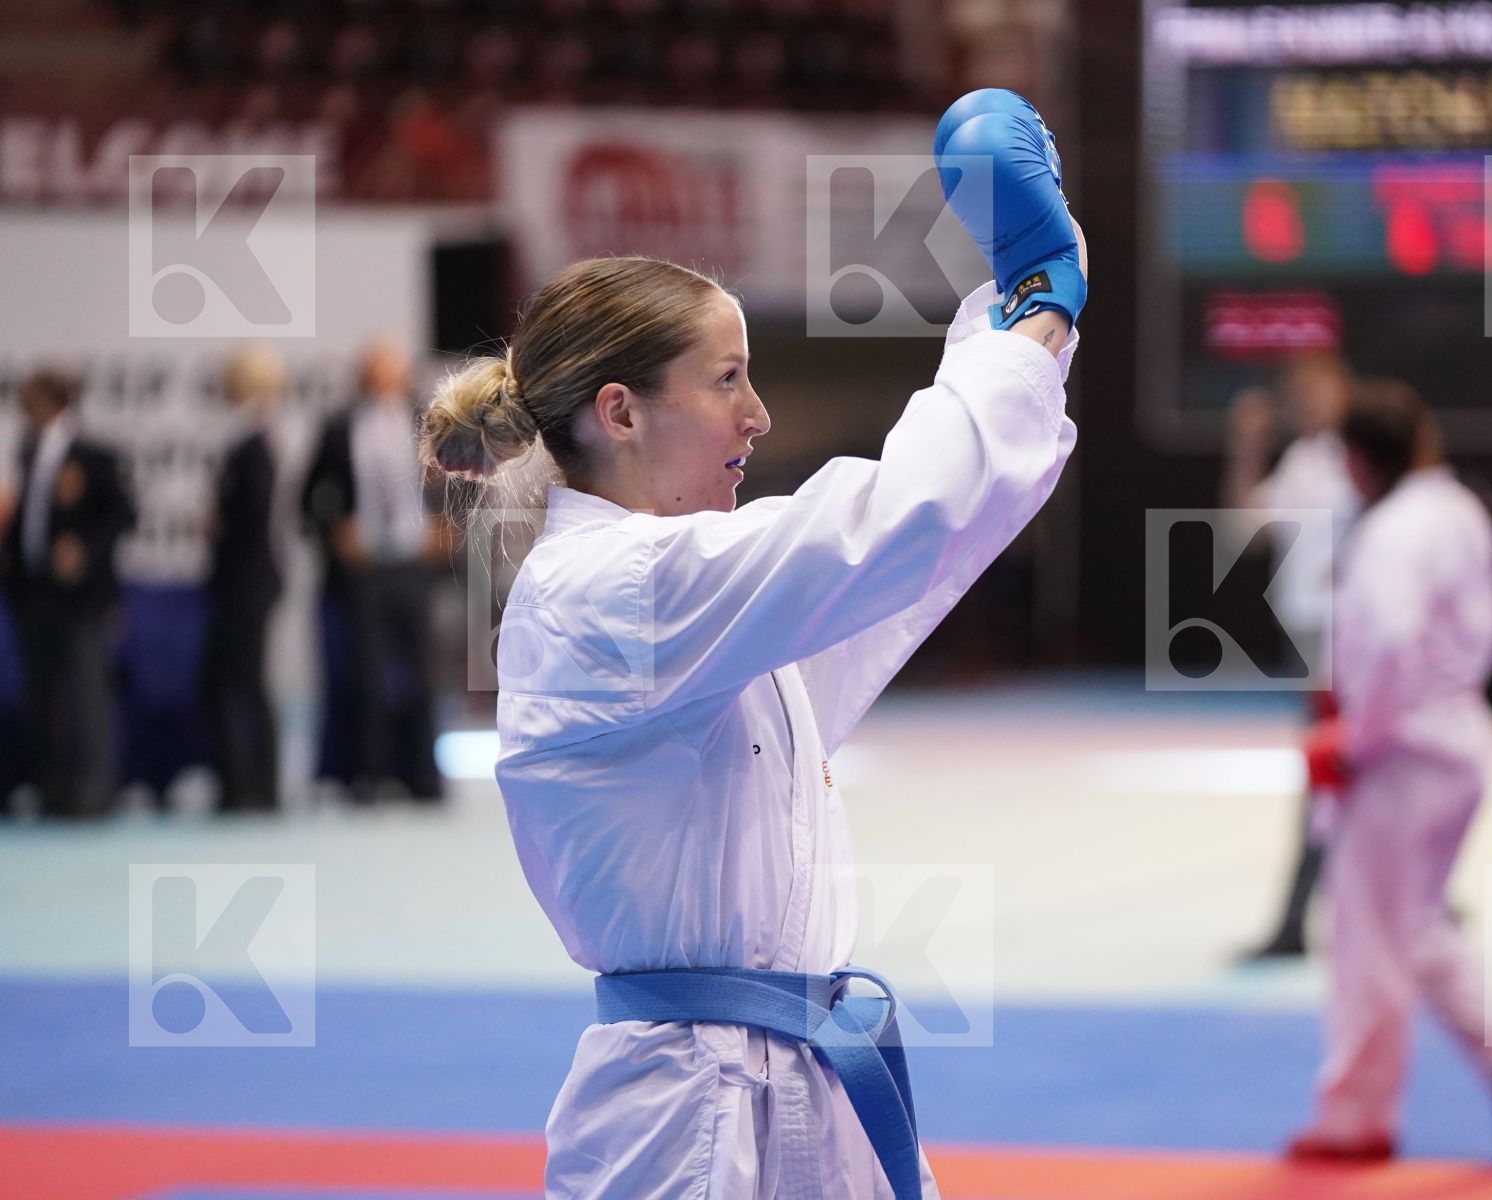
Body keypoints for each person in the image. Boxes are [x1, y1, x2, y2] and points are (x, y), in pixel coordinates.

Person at [416, 89, 1083, 1200]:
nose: (758, 416)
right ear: (620, 413)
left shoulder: (689, 614)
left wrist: (1024, 327)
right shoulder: (612, 591)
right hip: (688, 1121)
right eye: (728, 380)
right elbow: (886, 521)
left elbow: (907, 563)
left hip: (795, 1085)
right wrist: (1036, 299)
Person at [1287, 380, 1492, 1162]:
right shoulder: (1458, 511)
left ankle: (1356, 1120)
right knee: (1417, 921)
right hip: (1458, 737)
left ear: (1359, 460)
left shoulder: (1394, 532)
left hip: (1399, 753)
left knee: (1364, 935)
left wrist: (1351, 738)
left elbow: (1391, 642)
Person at [1223, 353, 1359, 959]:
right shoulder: (1302, 462)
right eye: (1294, 394)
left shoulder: (1357, 459)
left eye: (1313, 390)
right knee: (1350, 775)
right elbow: (1241, 529)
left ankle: (1294, 924)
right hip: (1313, 640)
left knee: (1330, 776)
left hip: (1349, 640)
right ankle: (1422, 901)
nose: (1302, 403)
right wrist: (1246, 448)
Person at [302, 339, 446, 803]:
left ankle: (422, 776)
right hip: (364, 568)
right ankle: (370, 775)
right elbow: (309, 496)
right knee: (366, 675)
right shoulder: (340, 425)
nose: (385, 378)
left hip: (413, 562)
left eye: (393, 369)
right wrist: (335, 530)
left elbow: (460, 477)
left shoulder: (426, 421)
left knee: (423, 672)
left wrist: (447, 526)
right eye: (377, 370)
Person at [0, 369, 136, 819]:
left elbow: (122, 514)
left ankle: (95, 792)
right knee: (40, 695)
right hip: (32, 593)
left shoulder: (93, 454)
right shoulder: (27, 450)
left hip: (80, 598)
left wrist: (85, 550)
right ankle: (51, 788)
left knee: (88, 693)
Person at [201, 346, 286, 812]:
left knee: (244, 682)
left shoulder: (251, 445)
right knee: (237, 681)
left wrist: (220, 526)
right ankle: (246, 783)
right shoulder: (250, 442)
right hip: (246, 579)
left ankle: (256, 786)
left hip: (246, 581)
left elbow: (251, 517)